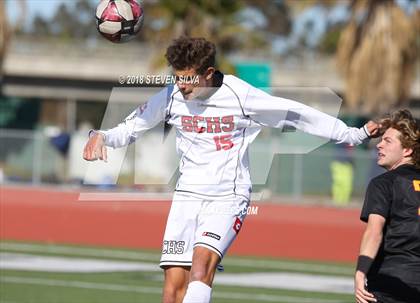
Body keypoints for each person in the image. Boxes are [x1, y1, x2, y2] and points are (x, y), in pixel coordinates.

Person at [83, 36, 379, 303]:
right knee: (173, 287)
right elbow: (134, 125)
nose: (181, 85)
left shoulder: (241, 96)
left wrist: (351, 134)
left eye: (187, 79)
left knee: (201, 266)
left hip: (228, 195)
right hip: (186, 196)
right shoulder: (172, 95)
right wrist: (102, 135)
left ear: (208, 73)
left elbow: (298, 114)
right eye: (177, 78)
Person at [354, 109, 420, 303]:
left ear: (407, 150)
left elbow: (374, 232)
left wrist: (360, 271)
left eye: (387, 141)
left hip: (390, 281)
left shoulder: (383, 183)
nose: (379, 145)